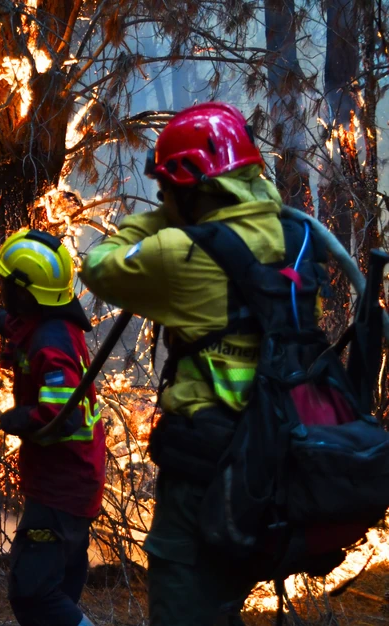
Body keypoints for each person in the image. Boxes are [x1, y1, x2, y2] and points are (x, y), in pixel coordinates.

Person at [77, 101, 302, 625]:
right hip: (277, 458)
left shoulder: (181, 250)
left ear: (190, 186)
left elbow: (98, 266)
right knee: (224, 603)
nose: (161, 196)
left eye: (167, 187)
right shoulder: (295, 236)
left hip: (205, 466)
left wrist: (166, 218)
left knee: (184, 603)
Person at [0, 228, 104, 626]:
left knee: (33, 594)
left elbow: (63, 415)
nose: (2, 289)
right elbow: (16, 324)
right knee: (58, 592)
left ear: (24, 291)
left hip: (61, 490)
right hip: (74, 484)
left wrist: (25, 418)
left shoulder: (51, 344)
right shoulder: (48, 323)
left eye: (7, 283)